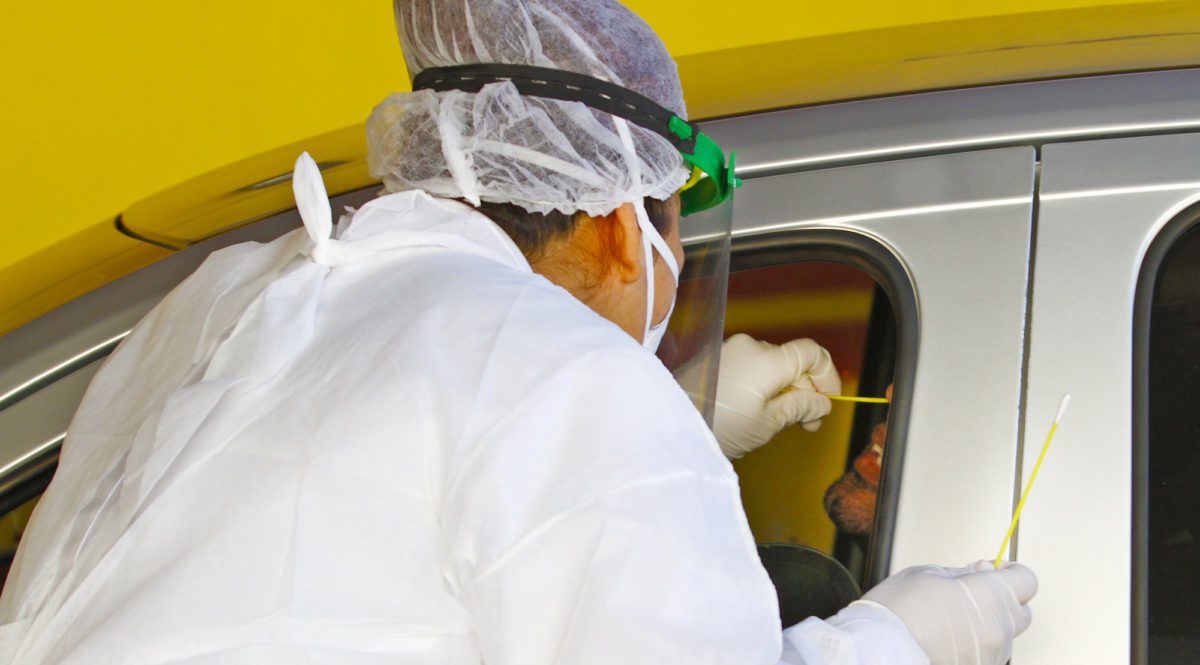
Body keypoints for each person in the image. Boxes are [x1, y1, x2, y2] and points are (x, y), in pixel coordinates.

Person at [0, 1, 1036, 663]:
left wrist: (673, 427)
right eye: (675, 221)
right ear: (617, 225)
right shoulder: (570, 384)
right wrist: (900, 641)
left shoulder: (231, 290)